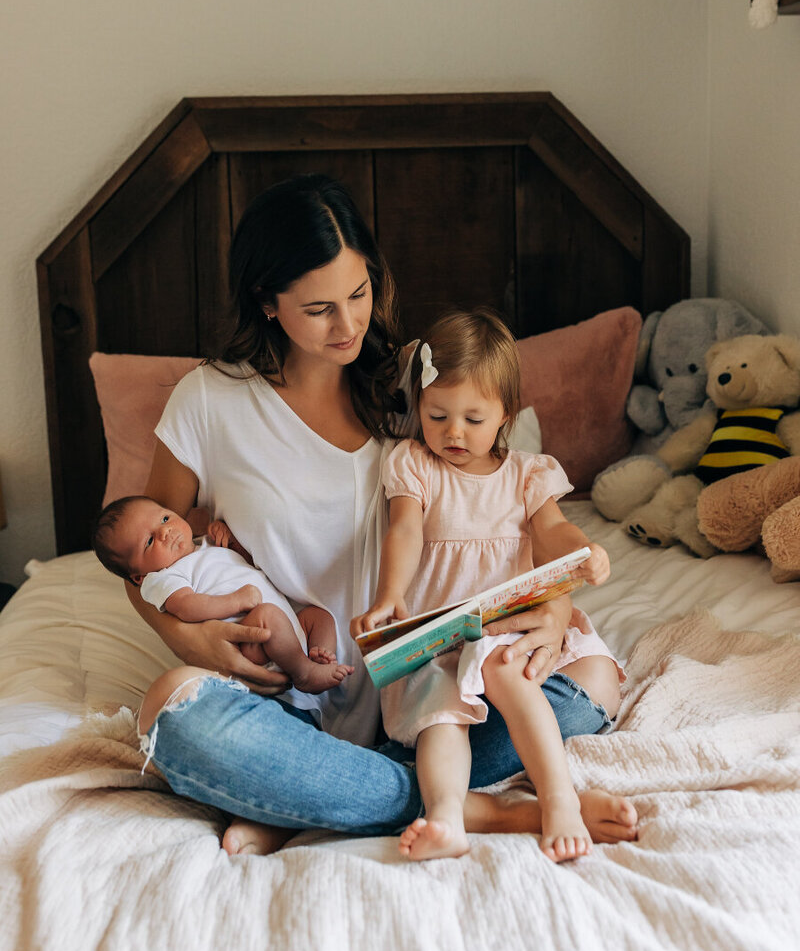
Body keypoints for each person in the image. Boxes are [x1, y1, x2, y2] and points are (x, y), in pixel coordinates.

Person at [130, 174, 638, 855]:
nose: (348, 325)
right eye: (319, 309)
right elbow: (142, 552)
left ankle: (316, 799)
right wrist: (187, 638)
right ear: (266, 302)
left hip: (432, 685)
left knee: (593, 682)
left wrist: (547, 610)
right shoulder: (207, 401)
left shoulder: (411, 390)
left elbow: (508, 514)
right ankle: (488, 812)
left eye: (360, 294)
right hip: (292, 699)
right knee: (174, 709)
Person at [351, 309, 625, 863]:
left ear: (506, 413)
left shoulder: (528, 474)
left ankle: (559, 800)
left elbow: (553, 530)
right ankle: (449, 817)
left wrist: (582, 553)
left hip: (510, 635)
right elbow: (404, 529)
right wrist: (389, 595)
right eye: (438, 414)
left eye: (473, 419)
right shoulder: (413, 465)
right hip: (447, 651)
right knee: (440, 715)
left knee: (506, 666)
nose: (453, 432)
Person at [93, 495, 353, 692]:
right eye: (149, 541)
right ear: (138, 576)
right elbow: (187, 607)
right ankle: (304, 673)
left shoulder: (204, 546)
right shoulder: (160, 580)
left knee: (319, 617)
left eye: (164, 518)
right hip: (249, 643)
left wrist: (230, 541)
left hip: (288, 628)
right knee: (268, 615)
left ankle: (319, 656)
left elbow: (244, 566)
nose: (165, 532)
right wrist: (235, 601)